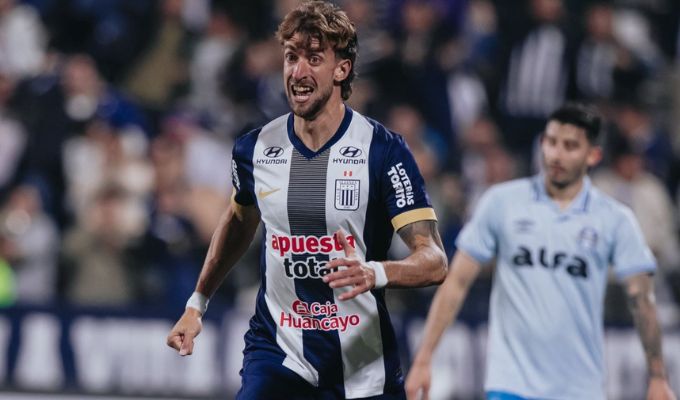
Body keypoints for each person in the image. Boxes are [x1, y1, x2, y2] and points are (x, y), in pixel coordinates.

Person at [166, 2, 448, 399]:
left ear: (341, 70)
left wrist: (375, 273)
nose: (298, 72)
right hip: (278, 352)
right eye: (291, 57)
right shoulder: (254, 148)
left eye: (314, 59)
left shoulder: (383, 151)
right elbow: (239, 219)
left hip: (360, 363)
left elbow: (434, 261)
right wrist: (197, 304)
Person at [405, 103, 677, 400]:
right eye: (552, 142)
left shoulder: (613, 218)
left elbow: (642, 298)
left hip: (580, 388)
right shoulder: (502, 203)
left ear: (593, 155)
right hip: (511, 385)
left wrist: (657, 376)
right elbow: (456, 281)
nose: (557, 154)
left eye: (570, 146)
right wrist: (423, 358)